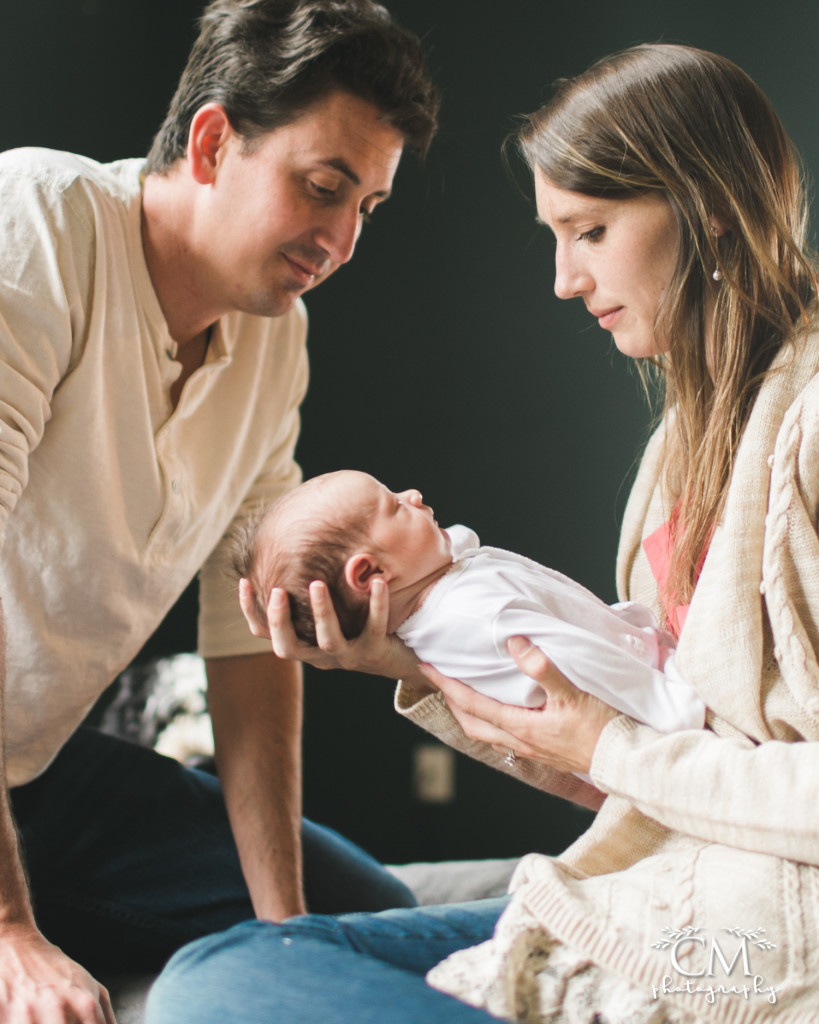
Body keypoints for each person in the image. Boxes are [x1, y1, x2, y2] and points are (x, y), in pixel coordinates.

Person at [147, 41, 819, 1024]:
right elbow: (629, 768)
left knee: (222, 991)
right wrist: (407, 661)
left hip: (742, 935)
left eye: (589, 230)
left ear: (708, 207)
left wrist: (613, 747)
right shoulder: (687, 438)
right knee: (246, 957)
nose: (561, 278)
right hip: (667, 882)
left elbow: (637, 759)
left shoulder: (803, 428)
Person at [0, 0, 439, 1019]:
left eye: (366, 207)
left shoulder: (274, 339)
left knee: (364, 921)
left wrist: (286, 931)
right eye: (322, 187)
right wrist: (11, 932)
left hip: (43, 776)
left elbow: (246, 642)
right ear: (211, 141)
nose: (339, 239)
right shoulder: (40, 225)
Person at [232, 468, 705, 756]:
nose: (412, 495)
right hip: (662, 701)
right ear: (371, 573)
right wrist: (676, 702)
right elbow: (582, 665)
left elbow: (463, 542)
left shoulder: (433, 588)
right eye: (393, 506)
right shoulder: (474, 619)